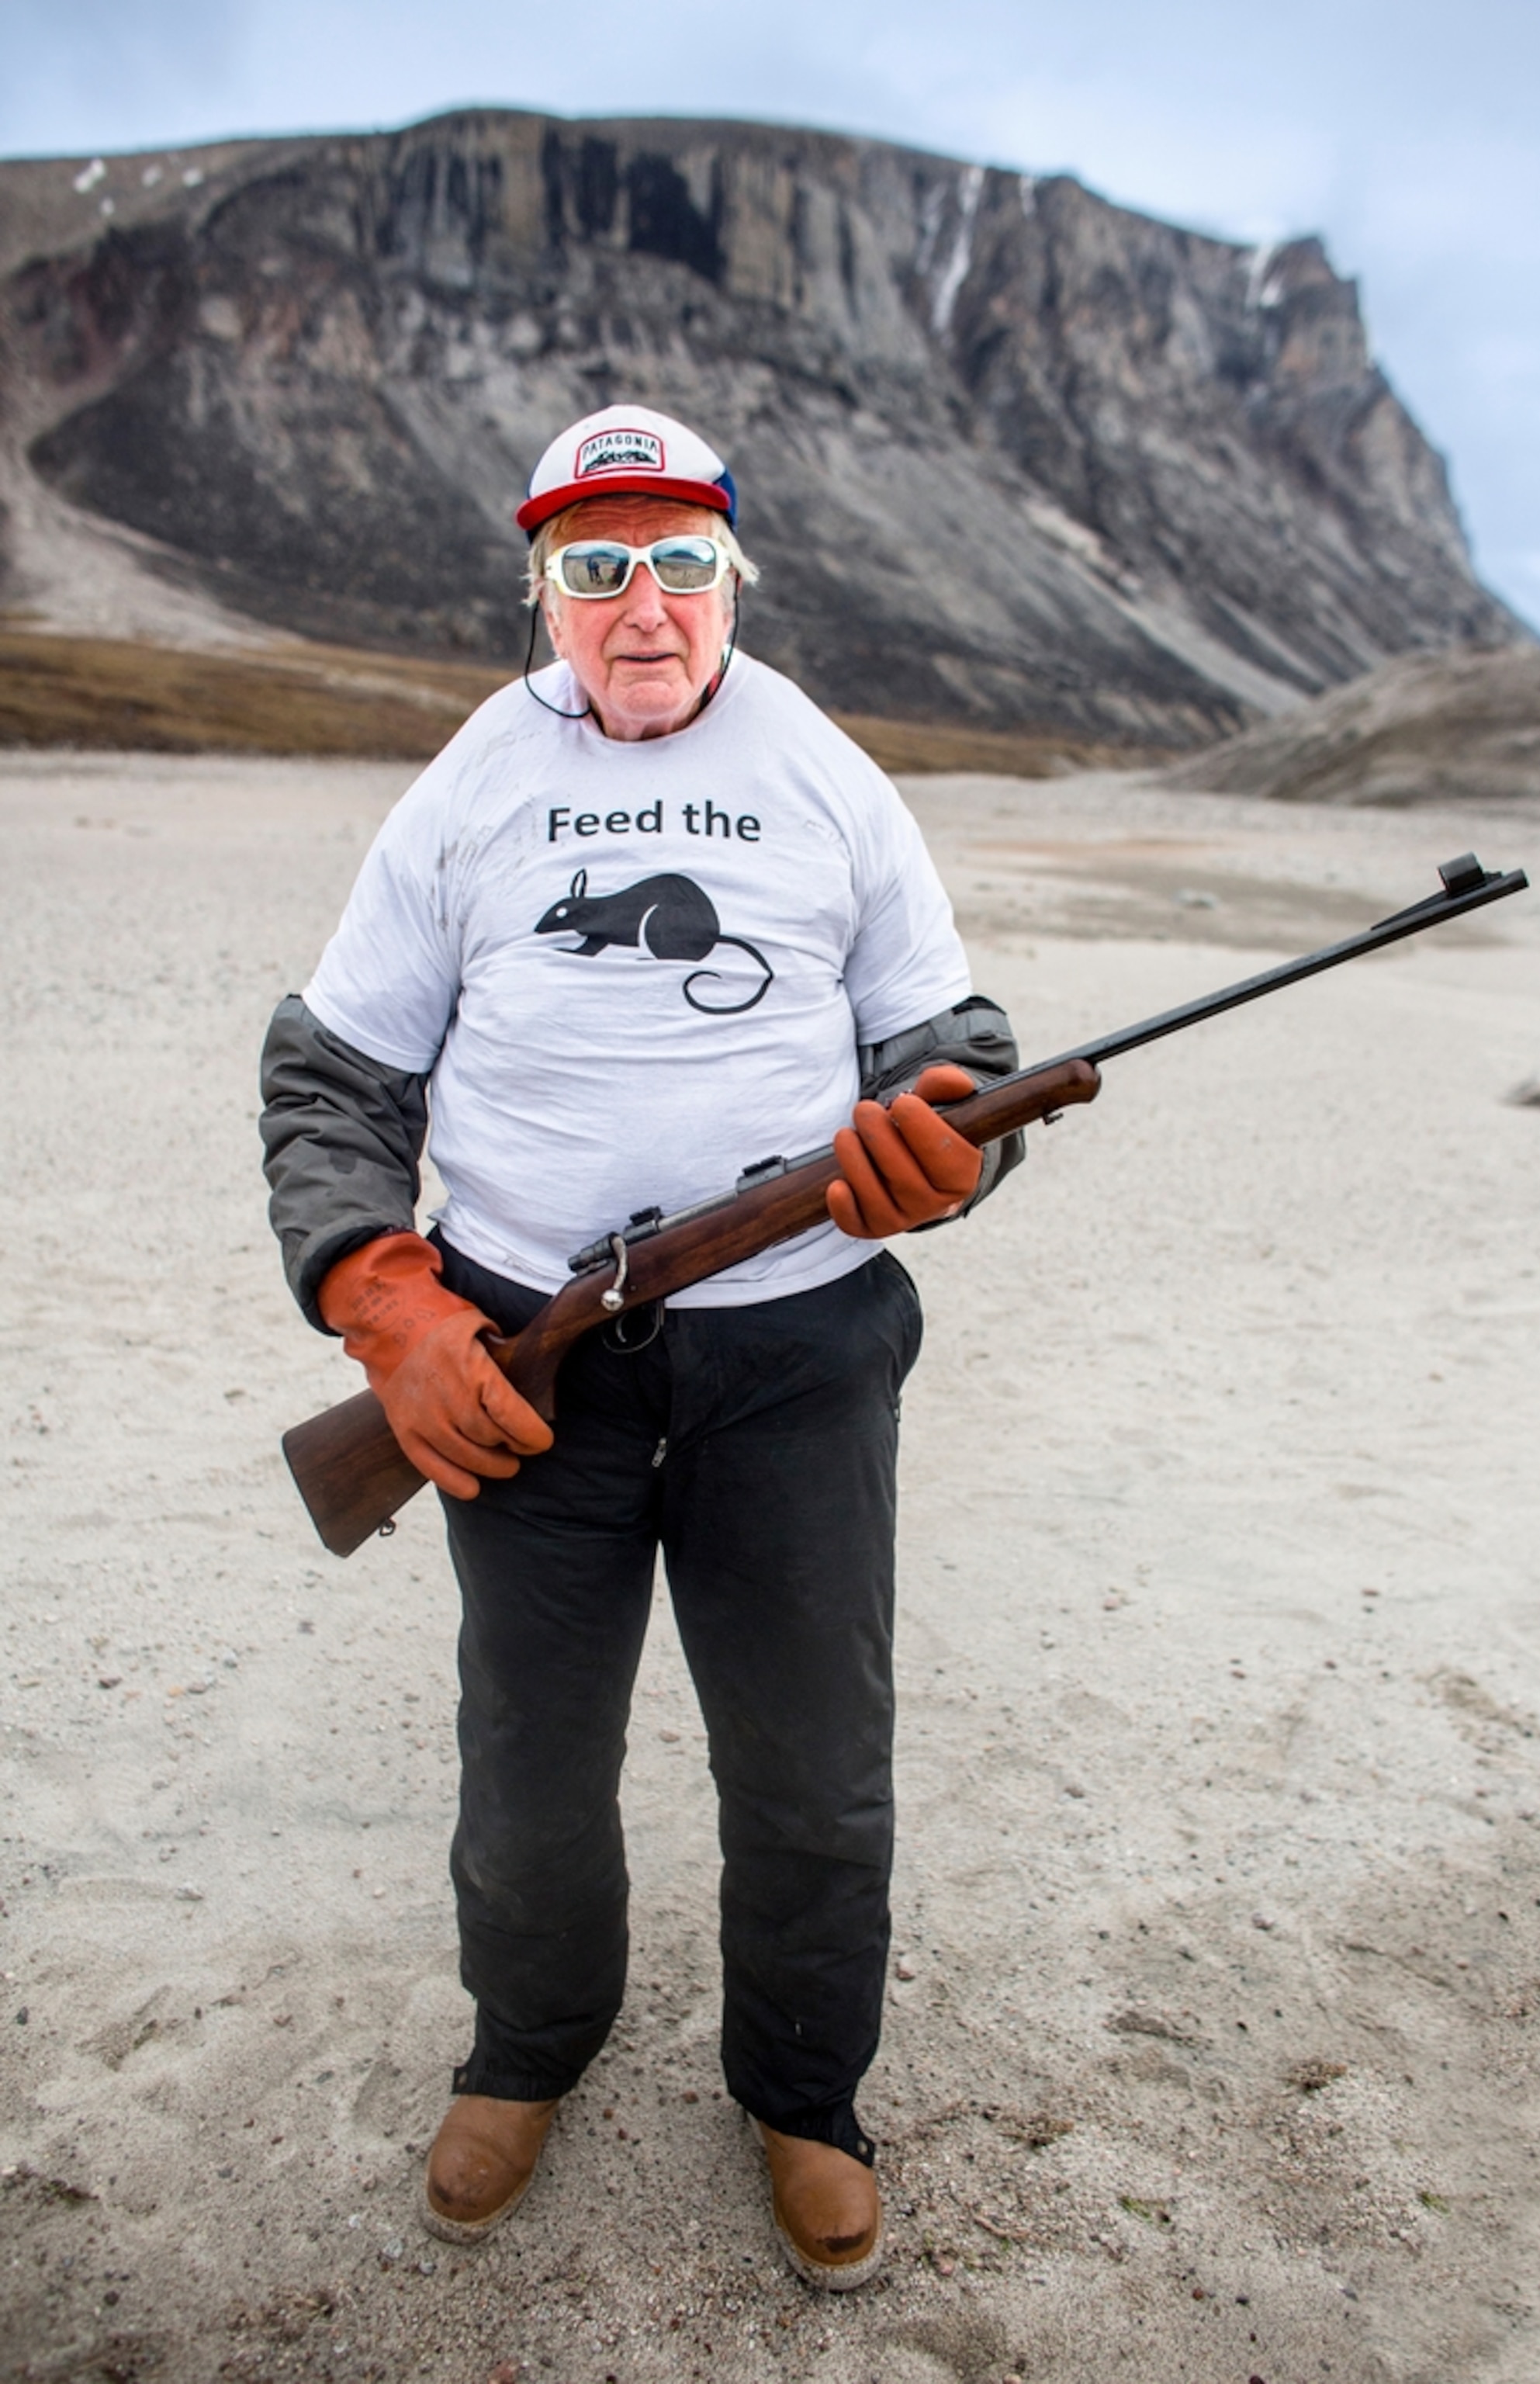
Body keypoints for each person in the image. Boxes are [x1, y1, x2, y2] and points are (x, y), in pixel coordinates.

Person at [258, 402, 1033, 2289]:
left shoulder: (831, 774)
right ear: (541, 593)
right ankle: (528, 2053)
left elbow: (958, 1051)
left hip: (795, 1364)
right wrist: (388, 1304)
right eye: (593, 568)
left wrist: (939, 1142)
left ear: (732, 579)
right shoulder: (466, 785)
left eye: (678, 562)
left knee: (813, 1773)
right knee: (527, 1763)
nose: (641, 608)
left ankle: (800, 2098)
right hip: (526, 1351)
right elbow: (336, 1071)